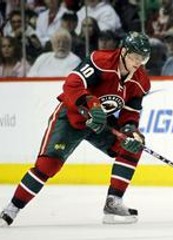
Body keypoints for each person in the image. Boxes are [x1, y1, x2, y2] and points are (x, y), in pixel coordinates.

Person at [0, 31, 151, 226]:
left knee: (132, 146)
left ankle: (114, 202)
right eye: (134, 56)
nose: (138, 62)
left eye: (143, 58)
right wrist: (91, 104)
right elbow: (72, 84)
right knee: (48, 165)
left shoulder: (141, 81)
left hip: (100, 124)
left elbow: (130, 114)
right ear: (123, 51)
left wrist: (131, 131)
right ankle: (11, 210)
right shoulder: (100, 61)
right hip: (71, 118)